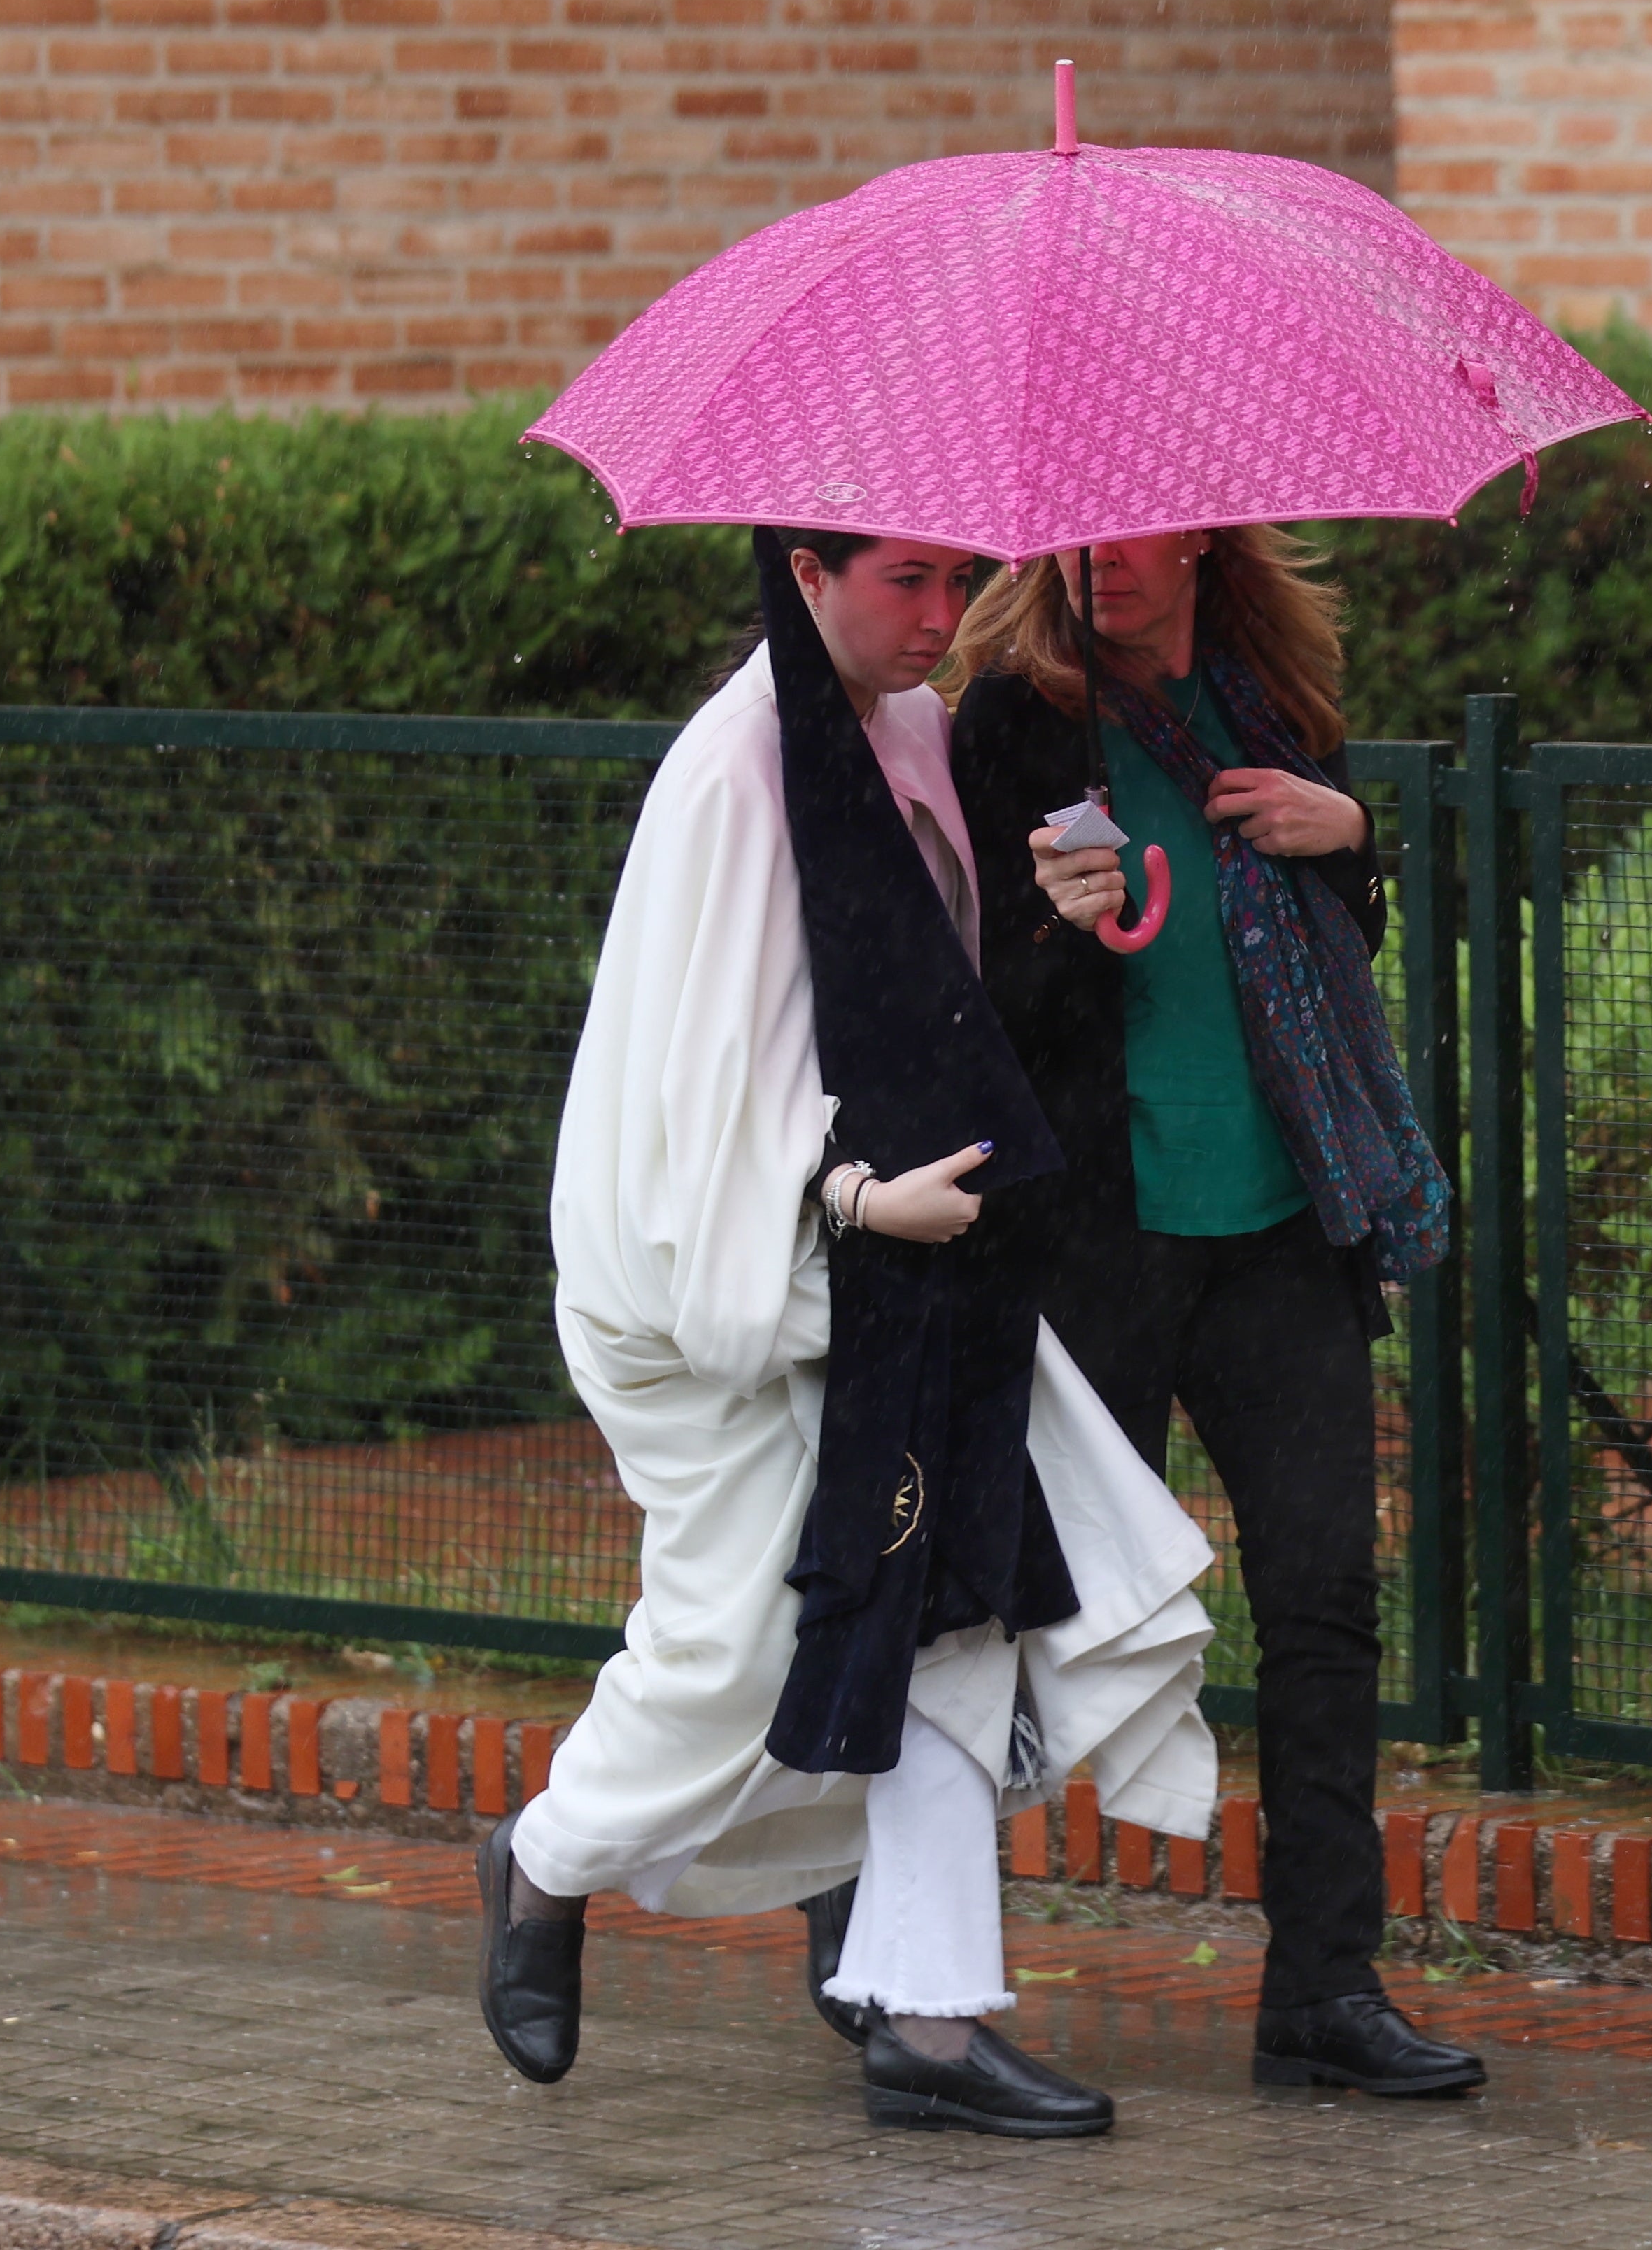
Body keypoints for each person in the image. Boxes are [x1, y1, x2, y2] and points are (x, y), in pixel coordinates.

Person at [479, 526, 1220, 2139]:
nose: (944, 617)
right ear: (805, 571)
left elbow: (924, 1008)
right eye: (904, 582)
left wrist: (1045, 909)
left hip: (895, 1270)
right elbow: (702, 1093)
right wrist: (855, 1198)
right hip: (715, 1286)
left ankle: (925, 2012)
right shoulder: (736, 772)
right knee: (741, 1651)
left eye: (959, 580)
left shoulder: (908, 731)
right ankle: (542, 1861)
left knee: (948, 1609)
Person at [943, 528, 1480, 2099]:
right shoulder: (1015, 718)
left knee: (1323, 1603)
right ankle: (900, 1963)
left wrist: (1348, 832)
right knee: (997, 1611)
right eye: (1079, 540)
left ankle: (1324, 1989)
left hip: (1278, 1230)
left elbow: (1338, 944)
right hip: (1095, 1239)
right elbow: (969, 993)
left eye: (1137, 534)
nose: (1105, 561)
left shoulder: (1275, 706)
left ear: (1201, 530)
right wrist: (1048, 917)